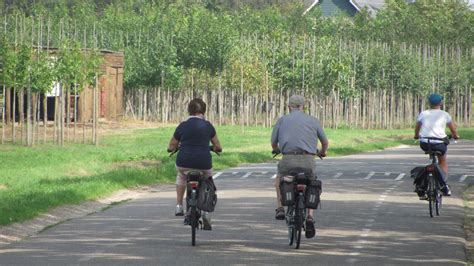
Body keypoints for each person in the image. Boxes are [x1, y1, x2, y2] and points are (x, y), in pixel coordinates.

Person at [271, 95, 329, 239]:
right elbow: (325, 142)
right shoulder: (313, 120)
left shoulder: (282, 120)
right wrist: (322, 152)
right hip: (308, 160)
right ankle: (309, 217)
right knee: (311, 183)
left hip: (288, 159)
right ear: (303, 106)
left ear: (289, 106)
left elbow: (273, 142)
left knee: (279, 180)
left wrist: (277, 149)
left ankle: (280, 208)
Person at [168, 98, 222, 230]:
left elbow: (172, 145)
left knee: (181, 177)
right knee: (208, 180)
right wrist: (215, 149)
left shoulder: (182, 125)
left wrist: (173, 149)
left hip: (184, 162)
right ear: (204, 111)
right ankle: (206, 211)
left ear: (189, 110)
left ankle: (179, 205)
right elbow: (218, 146)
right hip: (203, 163)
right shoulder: (208, 126)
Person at [414, 93, 459, 197]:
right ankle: (444, 185)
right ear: (441, 103)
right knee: (442, 161)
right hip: (439, 144)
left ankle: (424, 184)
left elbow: (417, 127)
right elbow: (452, 129)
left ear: (429, 103)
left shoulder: (423, 114)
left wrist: (416, 135)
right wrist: (455, 135)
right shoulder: (445, 114)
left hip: (425, 143)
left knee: (431, 155)